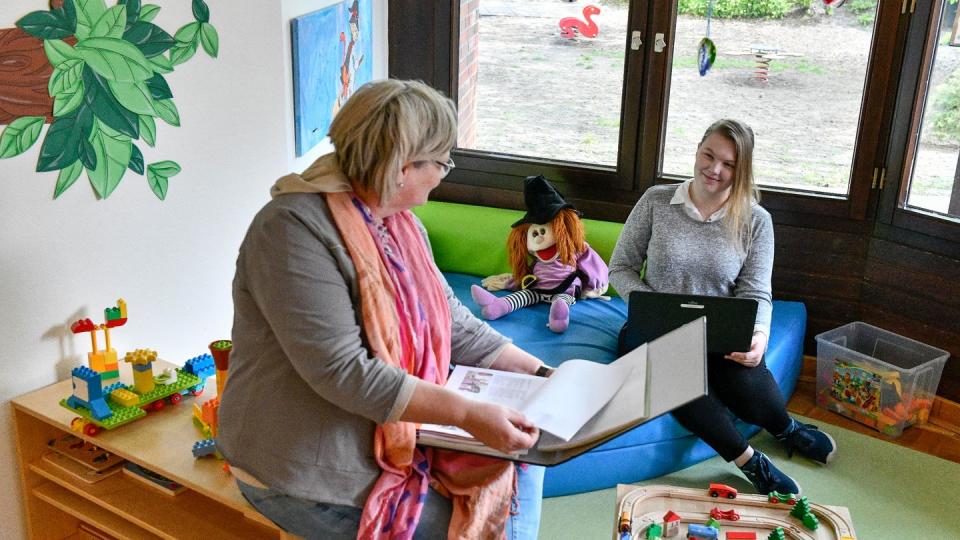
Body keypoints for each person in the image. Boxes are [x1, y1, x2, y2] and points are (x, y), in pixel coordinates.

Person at [217, 79, 550, 540]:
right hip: (301, 472)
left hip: (385, 440)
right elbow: (345, 373)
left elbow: (453, 324)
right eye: (441, 162)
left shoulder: (400, 225)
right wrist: (469, 414)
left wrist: (543, 374)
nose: (442, 174)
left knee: (521, 474)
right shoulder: (290, 231)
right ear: (400, 167)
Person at [608, 119, 836, 496]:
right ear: (697, 150)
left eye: (728, 164)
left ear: (741, 169)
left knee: (749, 384)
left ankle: (786, 429)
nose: (714, 169)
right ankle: (750, 461)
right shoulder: (655, 201)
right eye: (708, 155)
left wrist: (759, 336)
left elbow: (757, 290)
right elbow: (621, 268)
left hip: (720, 330)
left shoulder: (756, 221)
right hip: (656, 329)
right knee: (672, 380)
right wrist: (647, 305)